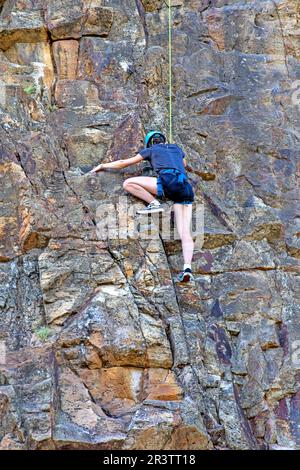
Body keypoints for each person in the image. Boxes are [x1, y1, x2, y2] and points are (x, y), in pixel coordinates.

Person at [90, 131, 195, 282]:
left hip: (168, 183)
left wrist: (102, 165)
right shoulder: (177, 149)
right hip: (186, 189)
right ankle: (187, 268)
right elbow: (184, 165)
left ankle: (153, 203)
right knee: (185, 233)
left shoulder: (150, 150)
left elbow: (123, 163)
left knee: (128, 183)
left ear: (150, 143)